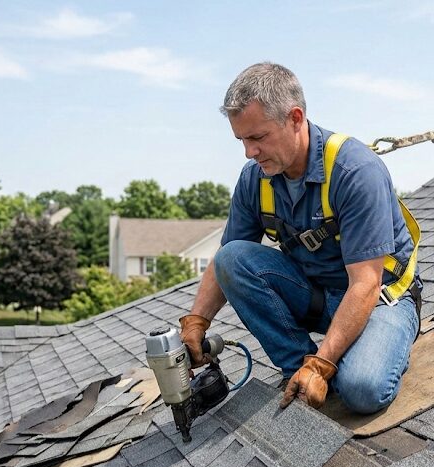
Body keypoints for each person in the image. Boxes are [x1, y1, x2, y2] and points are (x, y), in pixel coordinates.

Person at [179, 62, 421, 414]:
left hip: (380, 301)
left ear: (295, 118)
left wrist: (323, 365)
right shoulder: (254, 180)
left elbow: (366, 284)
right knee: (231, 257)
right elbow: (225, 262)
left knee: (362, 389)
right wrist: (197, 321)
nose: (249, 152)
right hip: (319, 299)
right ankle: (298, 368)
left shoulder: (355, 171)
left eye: (258, 137)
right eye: (242, 140)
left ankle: (350, 358)